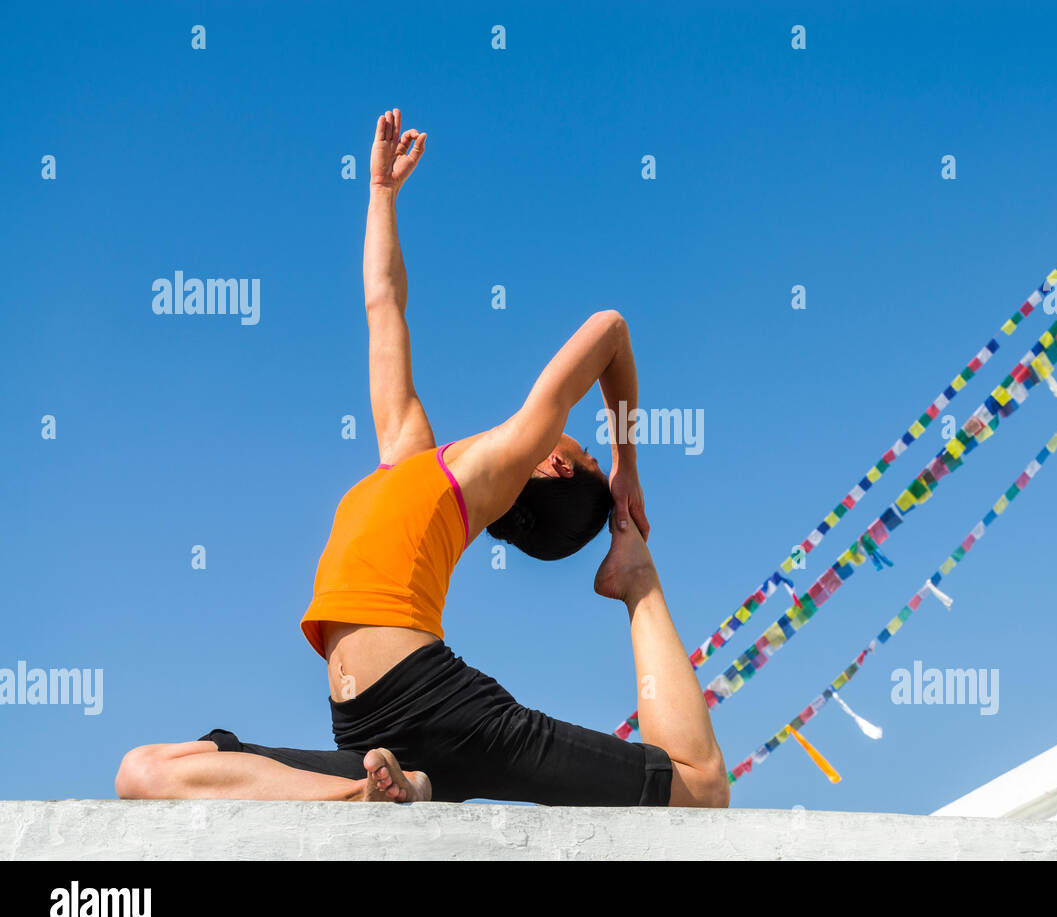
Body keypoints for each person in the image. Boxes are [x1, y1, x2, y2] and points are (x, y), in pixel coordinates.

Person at [114, 109, 728, 808]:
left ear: (555, 466)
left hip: (442, 705)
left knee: (697, 788)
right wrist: (381, 194)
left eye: (575, 445)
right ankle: (382, 797)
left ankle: (638, 583)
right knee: (145, 772)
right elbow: (384, 306)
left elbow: (609, 331)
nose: (568, 438)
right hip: (368, 730)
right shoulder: (410, 456)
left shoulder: (493, 464)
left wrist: (625, 465)